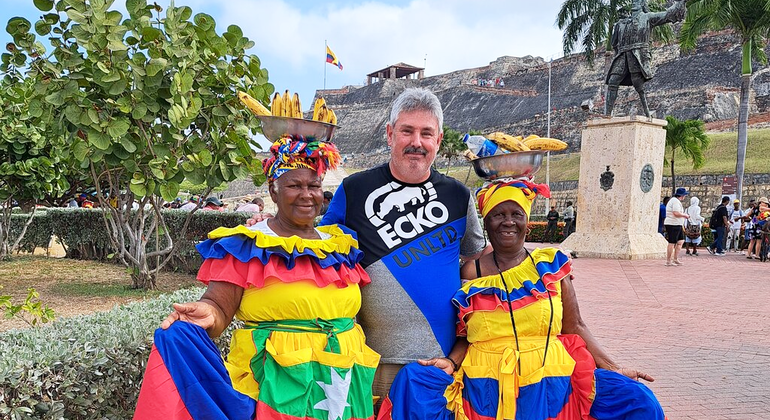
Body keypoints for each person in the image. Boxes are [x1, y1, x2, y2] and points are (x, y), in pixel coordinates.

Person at [134, 136, 379, 419]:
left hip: (341, 380)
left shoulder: (341, 244)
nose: (306, 194)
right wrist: (208, 313)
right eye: (294, 185)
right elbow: (219, 305)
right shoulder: (248, 244)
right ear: (273, 192)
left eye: (313, 186)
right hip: (275, 382)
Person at [385, 179, 666, 419]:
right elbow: (466, 335)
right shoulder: (470, 272)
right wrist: (451, 362)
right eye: (498, 214)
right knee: (414, 382)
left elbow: (576, 325)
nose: (508, 222)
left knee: (638, 400)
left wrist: (613, 367)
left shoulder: (551, 265)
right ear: (486, 223)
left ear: (527, 222)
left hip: (550, 379)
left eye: (516, 214)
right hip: (486, 385)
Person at [318, 88, 487, 409]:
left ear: (438, 140)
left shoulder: (458, 195)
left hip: (438, 364)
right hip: (368, 360)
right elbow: (322, 253)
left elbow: (478, 261)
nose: (417, 142)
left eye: (427, 133)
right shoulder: (354, 189)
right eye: (407, 131)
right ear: (390, 134)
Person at [605, 0, 686, 117]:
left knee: (638, 84)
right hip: (623, 56)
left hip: (637, 55)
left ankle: (647, 111)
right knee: (612, 81)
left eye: (637, 2)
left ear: (642, 5)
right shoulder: (621, 23)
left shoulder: (648, 18)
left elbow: (667, 15)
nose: (634, 3)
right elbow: (614, 43)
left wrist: (681, 2)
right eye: (633, 2)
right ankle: (607, 115)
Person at [664, 187, 690, 266]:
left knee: (680, 241)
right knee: (672, 242)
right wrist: (684, 215)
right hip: (673, 224)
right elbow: (676, 213)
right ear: (682, 195)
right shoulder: (675, 202)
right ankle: (669, 260)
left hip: (677, 224)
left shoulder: (676, 201)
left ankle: (675, 259)